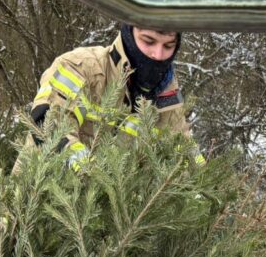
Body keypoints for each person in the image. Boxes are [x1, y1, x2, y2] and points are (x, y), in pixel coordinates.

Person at [23, 13, 203, 169]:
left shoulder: (167, 93)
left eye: (168, 46)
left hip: (123, 208)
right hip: (40, 198)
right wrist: (92, 176)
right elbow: (48, 126)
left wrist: (211, 193)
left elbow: (185, 150)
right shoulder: (81, 67)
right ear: (129, 34)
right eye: (149, 41)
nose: (157, 54)